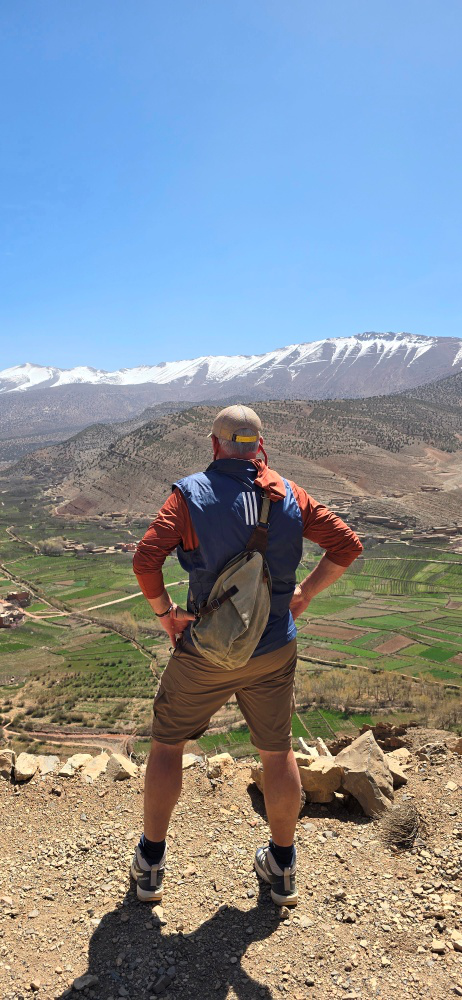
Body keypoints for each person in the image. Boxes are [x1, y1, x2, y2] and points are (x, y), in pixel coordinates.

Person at [131, 404, 363, 907]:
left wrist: (166, 614)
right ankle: (282, 868)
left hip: (207, 651)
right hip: (275, 646)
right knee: (276, 752)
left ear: (215, 444)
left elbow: (145, 559)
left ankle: (151, 863)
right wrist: (303, 595)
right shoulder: (290, 494)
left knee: (168, 744)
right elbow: (346, 545)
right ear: (259, 445)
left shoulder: (190, 495)